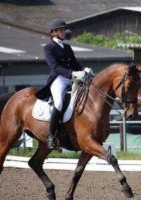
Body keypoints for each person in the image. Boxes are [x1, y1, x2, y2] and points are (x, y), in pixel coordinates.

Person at [35, 19, 86, 148]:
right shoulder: (49, 48)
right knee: (58, 103)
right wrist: (72, 74)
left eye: (64, 30)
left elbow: (75, 64)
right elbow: (55, 67)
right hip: (58, 79)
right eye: (61, 30)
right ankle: (51, 136)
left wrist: (84, 70)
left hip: (72, 78)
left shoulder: (67, 47)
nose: (64, 32)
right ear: (53, 32)